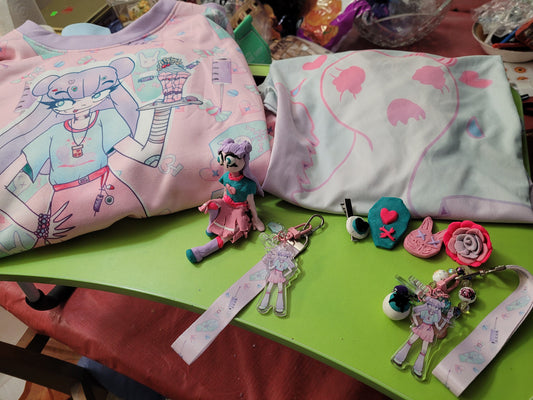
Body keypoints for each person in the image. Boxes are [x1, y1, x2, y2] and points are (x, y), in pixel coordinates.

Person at [186, 138, 264, 263]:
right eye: (221, 159)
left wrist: (255, 218)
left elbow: (251, 203)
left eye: (229, 161)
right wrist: (221, 205)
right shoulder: (225, 176)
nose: (225, 164)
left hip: (239, 209)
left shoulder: (248, 184)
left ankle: (202, 251)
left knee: (230, 233)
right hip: (226, 202)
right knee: (211, 204)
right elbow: (225, 192)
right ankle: (212, 226)